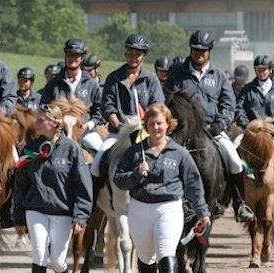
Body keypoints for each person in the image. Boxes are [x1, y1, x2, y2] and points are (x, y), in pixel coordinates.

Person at [113, 103, 211, 273]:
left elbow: (193, 184)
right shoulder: (135, 152)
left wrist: (202, 210)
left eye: (160, 123)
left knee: (167, 250)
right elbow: (119, 180)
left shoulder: (180, 153)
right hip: (140, 207)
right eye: (151, 124)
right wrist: (137, 175)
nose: (156, 127)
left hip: (169, 207)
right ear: (146, 126)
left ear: (168, 125)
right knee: (145, 256)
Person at [164, 29, 254, 223]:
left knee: (235, 161)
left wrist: (219, 125)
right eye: (196, 49)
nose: (199, 54)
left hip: (212, 130)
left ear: (210, 51)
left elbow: (228, 105)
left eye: (203, 50)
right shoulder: (177, 73)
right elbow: (167, 101)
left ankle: (239, 204)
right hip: (182, 131)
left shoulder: (219, 75)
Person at [13, 104, 93, 273]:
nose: (36, 123)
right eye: (37, 119)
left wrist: (81, 215)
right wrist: (18, 217)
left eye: (41, 120)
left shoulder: (72, 149)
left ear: (55, 124)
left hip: (62, 212)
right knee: (39, 253)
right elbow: (20, 185)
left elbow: (82, 184)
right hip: (35, 209)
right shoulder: (30, 148)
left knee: (57, 260)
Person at [92, 33, 165, 177]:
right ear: (125, 53)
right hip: (117, 133)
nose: (133, 57)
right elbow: (108, 106)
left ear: (143, 56)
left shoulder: (151, 80)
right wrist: (120, 127)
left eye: (137, 54)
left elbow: (156, 107)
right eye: (130, 53)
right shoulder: (114, 78)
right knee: (96, 167)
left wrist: (146, 127)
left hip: (146, 133)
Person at [234, 55, 274, 210]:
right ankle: (235, 195)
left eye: (264, 69)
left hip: (272, 133)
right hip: (251, 133)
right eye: (258, 70)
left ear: (270, 70)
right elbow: (239, 109)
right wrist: (247, 125)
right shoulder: (248, 89)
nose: (261, 72)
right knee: (233, 153)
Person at [40, 38, 105, 155]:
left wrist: (87, 126)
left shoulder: (92, 85)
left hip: (86, 132)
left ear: (82, 58)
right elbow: (43, 108)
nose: (72, 58)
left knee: (102, 154)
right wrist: (56, 123)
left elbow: (100, 112)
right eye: (69, 54)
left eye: (76, 55)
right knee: (37, 151)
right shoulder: (53, 84)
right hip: (57, 131)